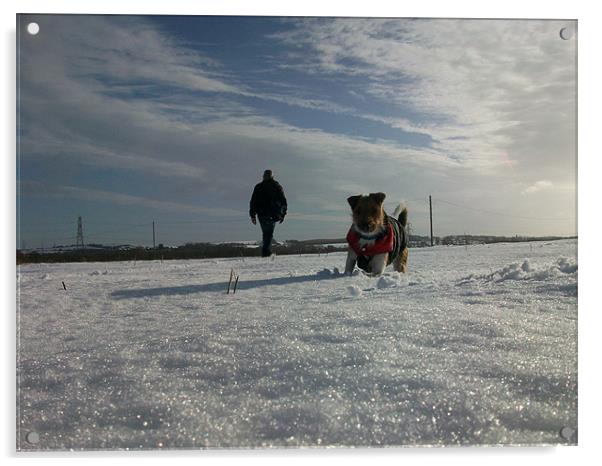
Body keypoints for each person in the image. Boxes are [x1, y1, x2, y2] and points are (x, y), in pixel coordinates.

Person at [249, 169, 288, 257]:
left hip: (261, 214)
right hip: (273, 214)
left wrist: (252, 215)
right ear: (272, 176)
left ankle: (266, 251)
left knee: (266, 233)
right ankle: (266, 252)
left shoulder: (258, 187)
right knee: (269, 233)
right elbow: (283, 201)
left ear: (263, 176)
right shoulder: (277, 186)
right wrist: (283, 214)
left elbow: (253, 202)